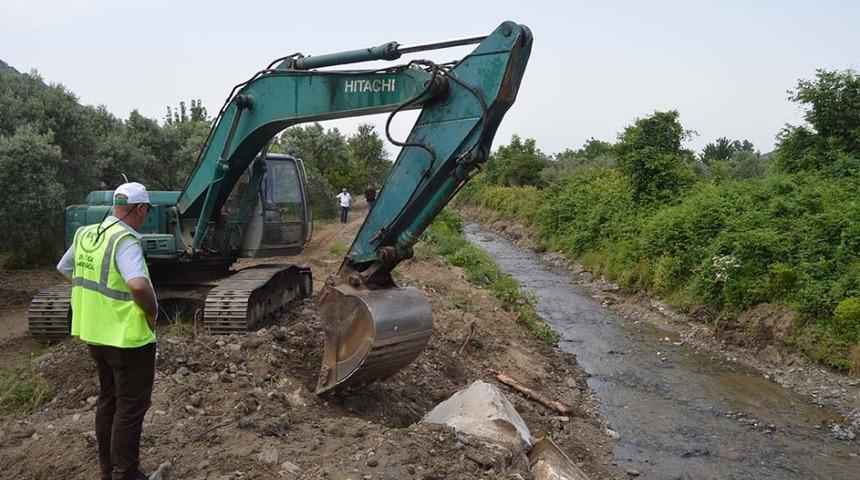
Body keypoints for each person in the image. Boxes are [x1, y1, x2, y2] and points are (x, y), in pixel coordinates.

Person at [57, 182, 159, 480]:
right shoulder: (126, 240)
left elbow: (65, 268)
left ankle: (107, 469)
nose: (146, 215)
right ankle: (125, 473)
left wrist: (94, 300)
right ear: (139, 209)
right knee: (130, 407)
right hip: (127, 338)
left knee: (108, 400)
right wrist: (152, 312)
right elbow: (138, 284)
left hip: (95, 332)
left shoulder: (86, 233)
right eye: (146, 210)